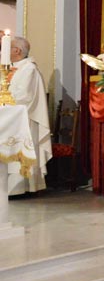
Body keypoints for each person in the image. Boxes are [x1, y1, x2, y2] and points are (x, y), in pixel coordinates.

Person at [7, 37, 52, 195]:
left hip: (24, 119)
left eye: (8, 47)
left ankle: (19, 187)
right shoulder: (13, 68)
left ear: (17, 51)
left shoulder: (29, 69)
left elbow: (24, 96)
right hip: (12, 117)